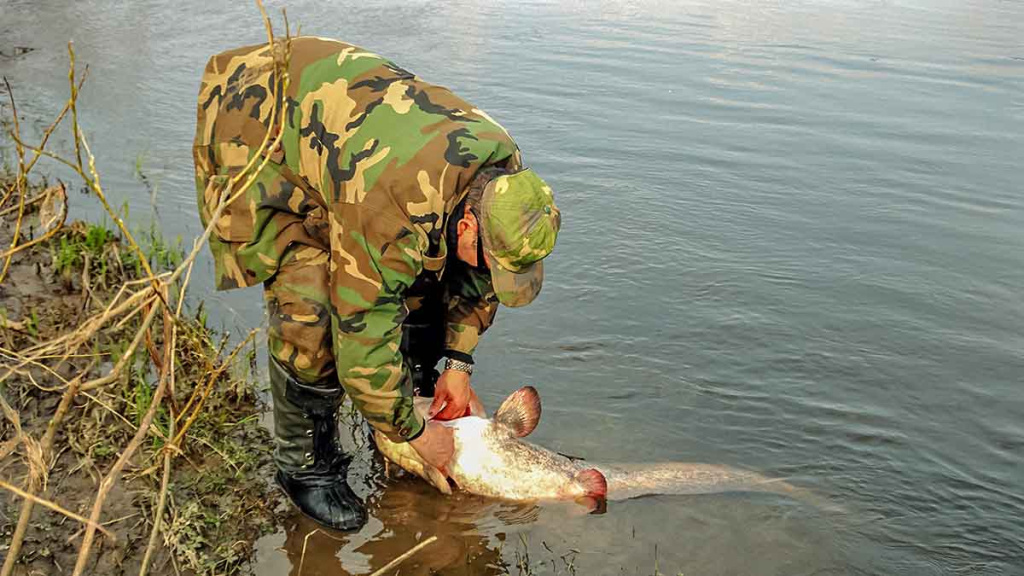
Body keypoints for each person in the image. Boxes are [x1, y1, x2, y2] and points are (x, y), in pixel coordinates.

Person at [192, 36, 560, 532]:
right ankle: (306, 468)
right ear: (471, 223)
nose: (499, 276)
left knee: (431, 274)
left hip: (351, 135)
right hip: (259, 124)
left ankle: (408, 404)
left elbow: (476, 278)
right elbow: (363, 330)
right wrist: (412, 433)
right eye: (498, 263)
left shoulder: (510, 186)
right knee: (311, 311)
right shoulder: (393, 204)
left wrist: (457, 363)